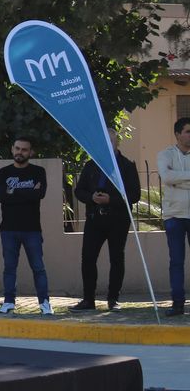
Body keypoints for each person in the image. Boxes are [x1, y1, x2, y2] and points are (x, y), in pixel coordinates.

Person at [71, 132, 141, 311]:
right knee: (88, 258)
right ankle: (88, 300)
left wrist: (111, 200)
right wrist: (92, 197)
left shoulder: (126, 165)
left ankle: (113, 299)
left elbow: (134, 195)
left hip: (118, 218)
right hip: (95, 218)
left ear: (117, 142)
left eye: (110, 140)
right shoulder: (91, 165)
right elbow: (79, 191)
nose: (106, 144)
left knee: (116, 258)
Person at [0, 136, 51, 315]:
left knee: (38, 267)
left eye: (24, 149)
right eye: (17, 148)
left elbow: (39, 194)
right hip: (8, 229)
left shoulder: (38, 171)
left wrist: (14, 192)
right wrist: (28, 192)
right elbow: (2, 197)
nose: (20, 152)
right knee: (9, 268)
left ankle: (44, 303)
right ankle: (9, 302)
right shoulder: (3, 172)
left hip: (32, 229)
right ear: (12, 149)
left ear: (31, 152)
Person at [155, 118, 190, 316]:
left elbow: (172, 178)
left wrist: (178, 179)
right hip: (174, 215)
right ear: (177, 134)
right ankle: (178, 304)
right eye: (187, 131)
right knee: (176, 261)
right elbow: (166, 178)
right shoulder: (165, 154)